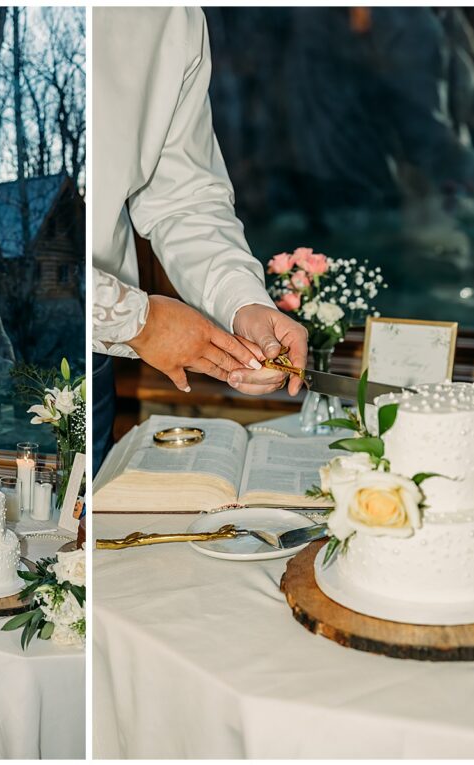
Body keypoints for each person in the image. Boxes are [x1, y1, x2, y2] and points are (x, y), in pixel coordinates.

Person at [92, 7, 308, 475]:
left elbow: (183, 197)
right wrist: (139, 321)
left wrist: (243, 301)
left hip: (93, 365)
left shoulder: (176, 16)